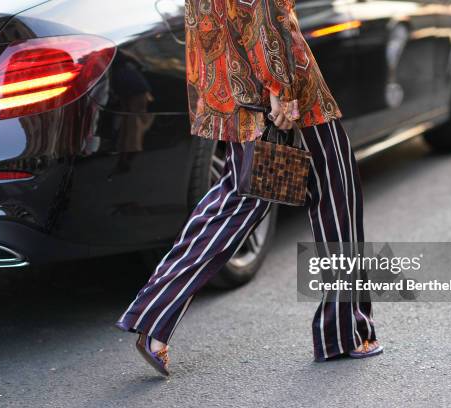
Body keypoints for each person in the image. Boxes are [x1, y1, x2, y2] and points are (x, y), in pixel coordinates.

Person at [116, 0, 382, 376]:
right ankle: (345, 331)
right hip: (278, 83)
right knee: (334, 190)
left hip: (233, 74)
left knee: (244, 197)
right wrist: (282, 85)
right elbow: (263, 7)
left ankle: (155, 314)